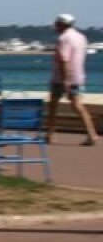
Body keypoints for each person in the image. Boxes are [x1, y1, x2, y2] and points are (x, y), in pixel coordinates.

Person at [46, 13, 99, 146]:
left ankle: (50, 135)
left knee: (53, 106)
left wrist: (65, 80)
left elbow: (64, 60)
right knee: (78, 106)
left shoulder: (63, 38)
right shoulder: (81, 37)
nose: (55, 26)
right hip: (78, 76)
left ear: (62, 24)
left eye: (57, 24)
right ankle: (91, 134)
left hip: (61, 78)